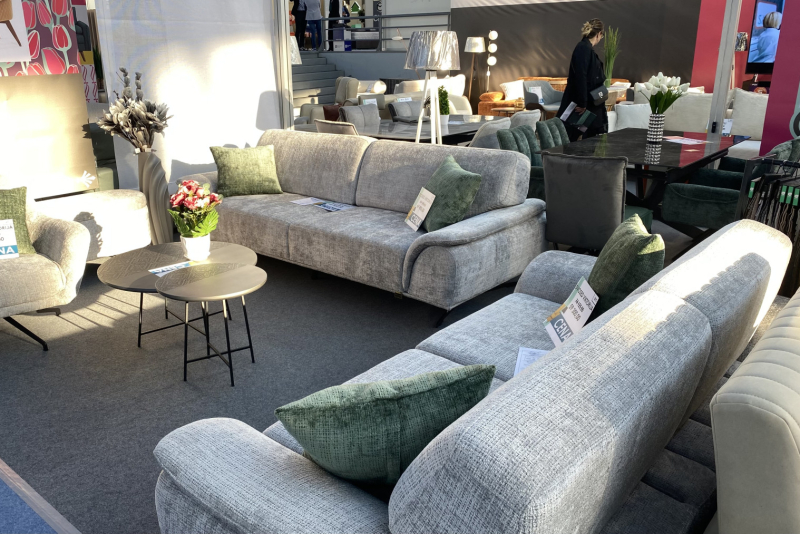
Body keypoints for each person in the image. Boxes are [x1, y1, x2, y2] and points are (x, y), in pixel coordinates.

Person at [557, 18, 608, 141]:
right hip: (583, 104)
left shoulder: (585, 48)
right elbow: (581, 76)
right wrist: (582, 103)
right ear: (599, 34)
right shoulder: (583, 48)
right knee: (573, 135)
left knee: (585, 134)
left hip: (588, 102)